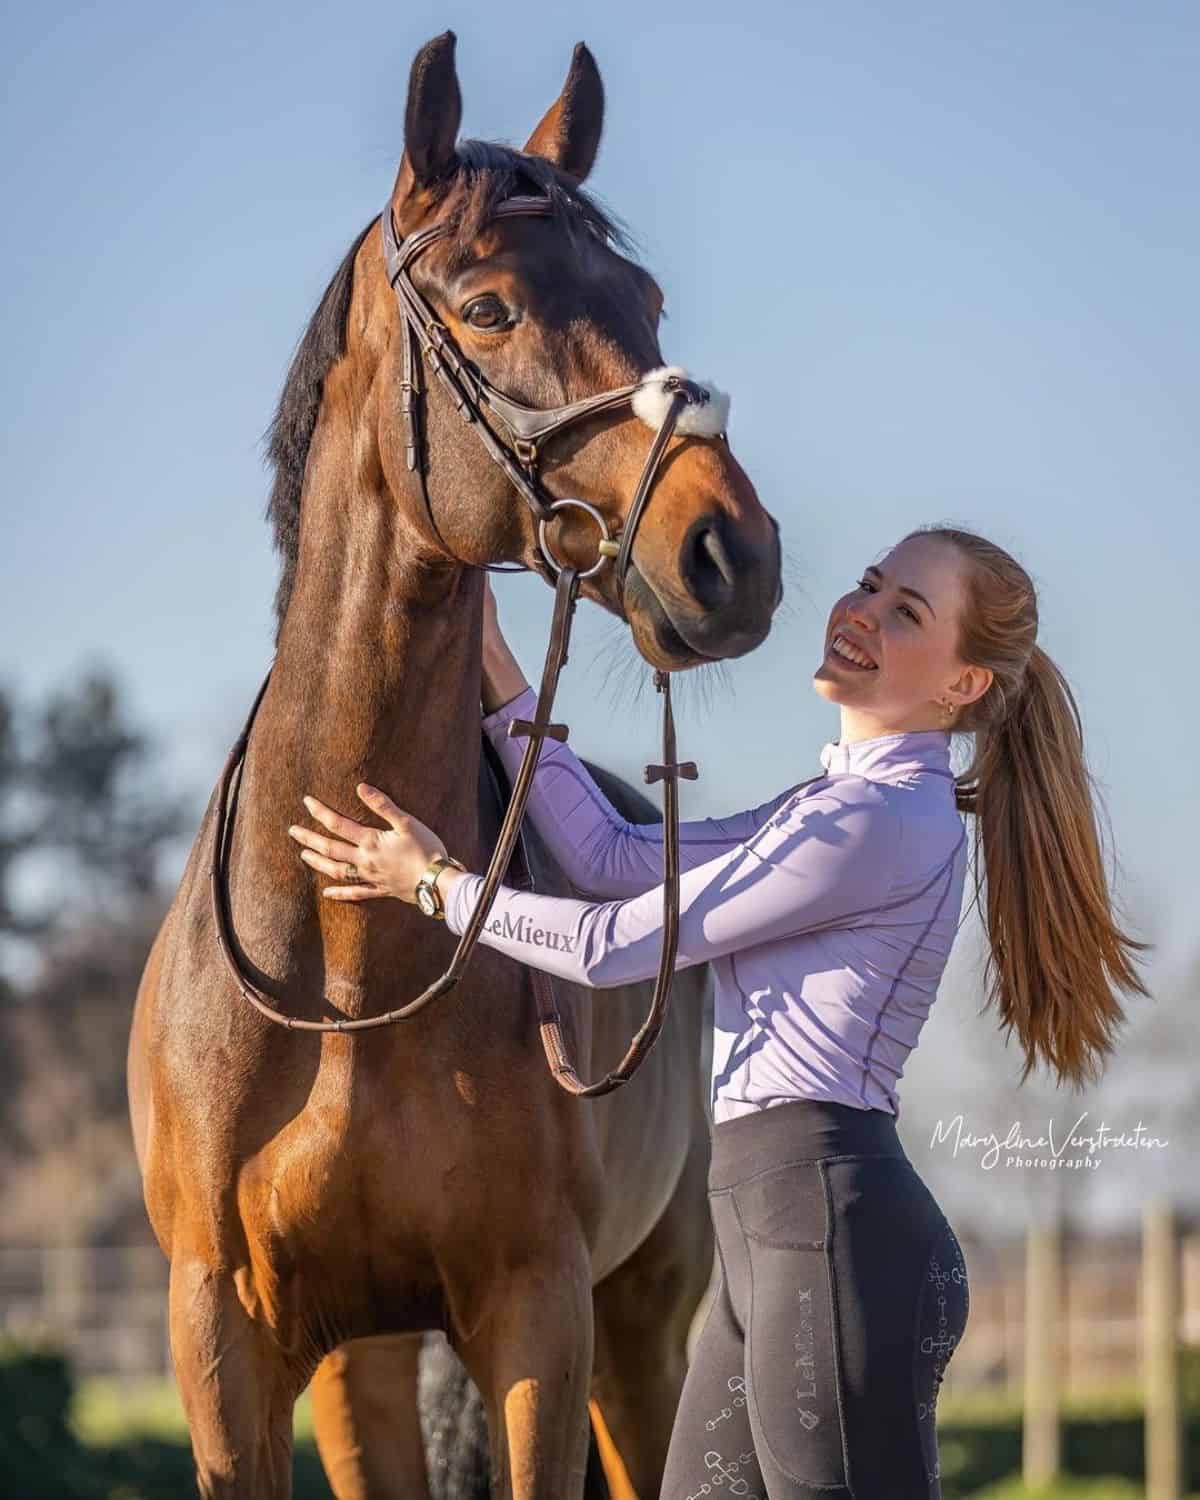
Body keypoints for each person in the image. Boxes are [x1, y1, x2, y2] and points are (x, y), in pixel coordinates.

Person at [287, 523, 1150, 1499]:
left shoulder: (870, 822)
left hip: (827, 1228)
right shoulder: (828, 807)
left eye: (907, 611)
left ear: (963, 686)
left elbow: (612, 948)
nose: (862, 610)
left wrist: (434, 885)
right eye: (870, 583)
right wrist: (499, 673)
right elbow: (614, 859)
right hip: (774, 1231)